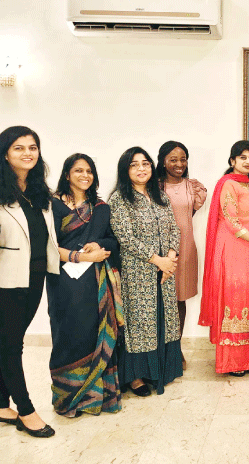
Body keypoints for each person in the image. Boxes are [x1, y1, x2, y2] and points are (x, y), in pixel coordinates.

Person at [0, 126, 59, 438]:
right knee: (12, 344)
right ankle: (25, 410)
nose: (28, 153)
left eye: (32, 147)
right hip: (4, 276)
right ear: (5, 153)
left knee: (11, 340)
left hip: (35, 274)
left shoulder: (39, 189)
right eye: (19, 148)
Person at [46, 153, 123, 417]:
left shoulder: (100, 208)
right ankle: (68, 398)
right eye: (78, 170)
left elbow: (113, 241)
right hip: (63, 280)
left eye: (89, 171)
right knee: (67, 332)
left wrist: (99, 244)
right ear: (67, 174)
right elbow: (47, 244)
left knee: (94, 332)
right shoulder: (52, 205)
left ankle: (97, 398)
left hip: (94, 281)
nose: (85, 175)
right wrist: (80, 256)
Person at [199, 140, 249, 376]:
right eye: (242, 157)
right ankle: (233, 362)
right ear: (232, 160)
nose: (247, 161)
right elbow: (233, 223)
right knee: (234, 299)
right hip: (233, 247)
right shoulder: (228, 184)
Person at [109, 147, 182, 396]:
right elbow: (125, 237)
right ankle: (136, 377)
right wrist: (158, 261)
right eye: (134, 164)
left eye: (145, 163)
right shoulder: (120, 199)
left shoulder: (160, 196)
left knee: (163, 319)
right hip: (138, 272)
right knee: (139, 323)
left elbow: (174, 228)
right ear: (125, 170)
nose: (141, 169)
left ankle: (159, 370)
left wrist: (170, 257)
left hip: (165, 271)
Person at [156, 141, 207, 370]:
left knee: (179, 300)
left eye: (183, 159)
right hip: (159, 251)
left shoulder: (193, 187)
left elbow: (187, 216)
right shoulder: (154, 186)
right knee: (158, 300)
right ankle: (158, 350)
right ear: (163, 161)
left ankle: (176, 350)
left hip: (185, 249)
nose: (179, 164)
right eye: (173, 159)